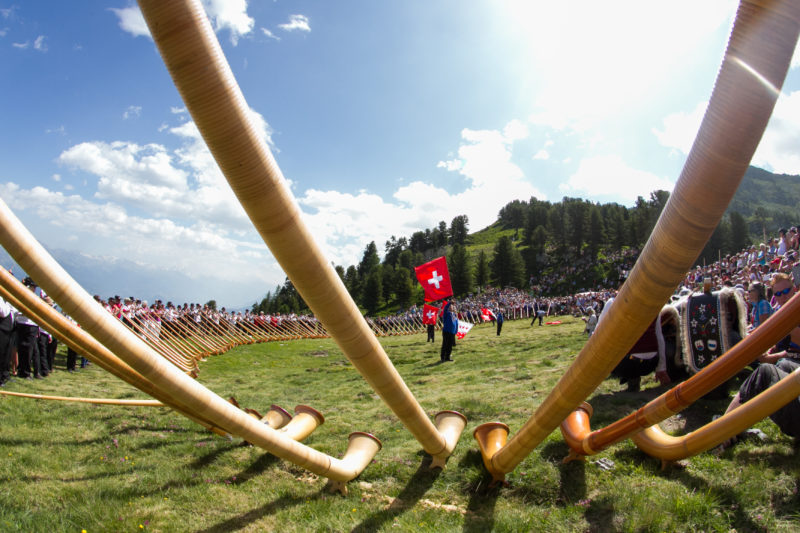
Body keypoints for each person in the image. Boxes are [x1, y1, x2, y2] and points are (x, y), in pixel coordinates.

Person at [721, 273, 799, 445]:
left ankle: (723, 428)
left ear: (794, 289)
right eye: (778, 294)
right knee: (780, 366)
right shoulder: (782, 314)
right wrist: (771, 352)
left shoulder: (789, 315)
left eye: (787, 291)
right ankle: (728, 425)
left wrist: (771, 356)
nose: (783, 297)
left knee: (765, 371)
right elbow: (782, 349)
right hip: (792, 381)